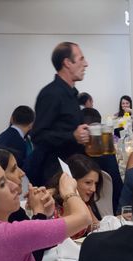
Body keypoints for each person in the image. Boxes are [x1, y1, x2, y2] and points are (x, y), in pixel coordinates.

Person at [30, 42, 89, 185]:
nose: (86, 64)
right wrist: (72, 136)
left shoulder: (71, 94)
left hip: (72, 168)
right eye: (81, 59)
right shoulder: (51, 94)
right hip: (56, 173)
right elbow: (38, 135)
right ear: (67, 63)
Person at [48, 154, 102, 239]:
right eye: (88, 183)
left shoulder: (82, 200)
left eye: (96, 183)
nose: (94, 189)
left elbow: (97, 229)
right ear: (71, 180)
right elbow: (59, 237)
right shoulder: (51, 203)